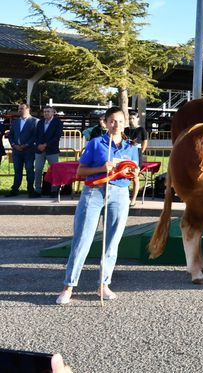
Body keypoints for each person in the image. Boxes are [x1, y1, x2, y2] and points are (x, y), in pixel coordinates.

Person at [56, 106, 139, 305]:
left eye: (120, 121)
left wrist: (134, 175)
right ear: (105, 122)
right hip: (94, 192)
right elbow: (81, 170)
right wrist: (103, 168)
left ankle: (103, 284)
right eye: (112, 121)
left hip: (119, 193)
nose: (116, 125)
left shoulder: (131, 147)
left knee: (112, 241)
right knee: (82, 238)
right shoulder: (96, 143)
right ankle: (69, 286)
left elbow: (134, 171)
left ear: (125, 122)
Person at [9, 101, 38, 197]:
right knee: (17, 170)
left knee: (30, 170)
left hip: (29, 151)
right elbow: (11, 135)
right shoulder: (15, 122)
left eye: (22, 108)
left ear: (28, 109)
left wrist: (26, 145)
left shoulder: (34, 121)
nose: (19, 110)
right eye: (19, 109)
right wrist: (14, 145)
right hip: (17, 151)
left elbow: (35, 136)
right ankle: (14, 190)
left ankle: (30, 190)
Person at [33, 105, 64, 196]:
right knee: (38, 170)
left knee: (54, 170)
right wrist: (39, 145)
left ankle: (54, 190)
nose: (46, 113)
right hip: (39, 151)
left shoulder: (58, 122)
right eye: (45, 111)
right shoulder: (40, 122)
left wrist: (45, 145)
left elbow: (56, 137)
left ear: (53, 112)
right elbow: (36, 135)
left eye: (48, 111)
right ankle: (37, 190)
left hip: (52, 151)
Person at [124, 109, 148, 204]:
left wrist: (140, 151)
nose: (131, 120)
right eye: (130, 118)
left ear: (137, 119)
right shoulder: (126, 130)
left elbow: (145, 141)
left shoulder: (141, 129)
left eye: (133, 118)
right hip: (126, 155)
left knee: (135, 177)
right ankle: (124, 197)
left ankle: (133, 199)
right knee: (124, 175)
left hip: (136, 155)